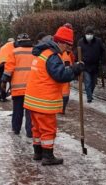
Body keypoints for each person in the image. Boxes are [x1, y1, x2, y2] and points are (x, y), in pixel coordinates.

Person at [24, 25, 84, 165]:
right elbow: (60, 75)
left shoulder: (44, 53)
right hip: (44, 101)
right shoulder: (52, 56)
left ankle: (38, 153)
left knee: (37, 129)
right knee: (48, 129)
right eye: (67, 46)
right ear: (61, 42)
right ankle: (48, 156)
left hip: (33, 100)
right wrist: (75, 69)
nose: (67, 50)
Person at [1, 33, 33, 138]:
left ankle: (16, 129)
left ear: (18, 42)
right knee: (30, 112)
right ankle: (30, 132)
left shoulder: (14, 52)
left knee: (17, 111)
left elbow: (9, 69)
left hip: (18, 88)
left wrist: (4, 81)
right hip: (31, 89)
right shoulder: (35, 52)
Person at [77, 26, 106, 103]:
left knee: (93, 82)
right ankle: (89, 97)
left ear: (93, 34)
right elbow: (78, 53)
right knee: (88, 81)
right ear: (85, 34)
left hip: (95, 65)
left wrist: (102, 61)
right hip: (85, 65)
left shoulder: (98, 41)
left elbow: (103, 51)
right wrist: (78, 62)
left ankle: (90, 94)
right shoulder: (81, 42)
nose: (89, 35)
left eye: (90, 33)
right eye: (87, 33)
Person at [0, 37, 16, 102]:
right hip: (9, 65)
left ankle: (3, 96)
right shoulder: (15, 47)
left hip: (0, 66)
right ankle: (14, 95)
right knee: (13, 80)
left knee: (2, 81)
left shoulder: (3, 47)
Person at [61, 24, 75, 114]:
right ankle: (62, 108)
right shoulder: (65, 54)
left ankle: (62, 107)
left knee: (64, 91)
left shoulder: (68, 53)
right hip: (65, 68)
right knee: (64, 91)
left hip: (67, 61)